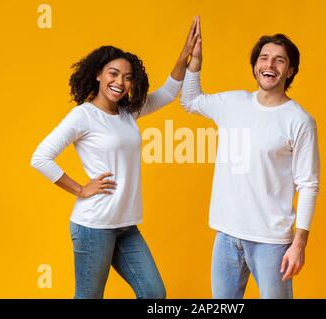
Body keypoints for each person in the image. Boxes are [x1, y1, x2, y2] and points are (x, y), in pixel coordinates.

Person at [31, 18, 200, 299]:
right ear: (98, 75)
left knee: (154, 294)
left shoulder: (127, 112)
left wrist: (185, 54)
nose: (120, 82)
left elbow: (170, 92)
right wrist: (81, 189)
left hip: (125, 225)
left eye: (127, 77)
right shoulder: (83, 115)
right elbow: (40, 157)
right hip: (94, 226)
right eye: (113, 73)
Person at [180, 19, 320, 299]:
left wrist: (299, 243)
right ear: (256, 65)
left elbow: (308, 184)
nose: (270, 65)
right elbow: (190, 101)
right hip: (226, 235)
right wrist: (195, 63)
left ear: (290, 70)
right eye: (264, 58)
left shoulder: (300, 121)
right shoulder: (233, 103)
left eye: (279, 61)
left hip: (272, 241)